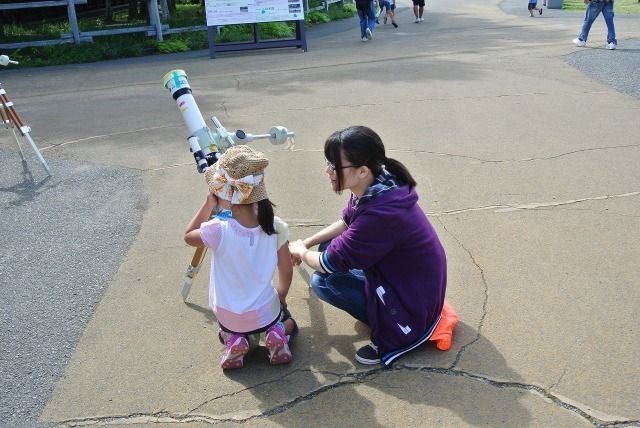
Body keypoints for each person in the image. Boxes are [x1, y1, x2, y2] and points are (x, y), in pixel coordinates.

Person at [289, 126, 449, 366]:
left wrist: (301, 251)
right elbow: (346, 221)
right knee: (328, 246)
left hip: (413, 303)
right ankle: (379, 310)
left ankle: (393, 332)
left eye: (335, 166)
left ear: (362, 170)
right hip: (413, 283)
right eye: (328, 163)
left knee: (324, 281)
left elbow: (327, 264)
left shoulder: (380, 214)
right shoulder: (379, 185)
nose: (328, 171)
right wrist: (309, 242)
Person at [184, 145, 297, 369]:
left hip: (229, 314)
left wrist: (208, 205)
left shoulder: (217, 229)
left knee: (228, 329)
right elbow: (286, 269)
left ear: (222, 191)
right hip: (265, 311)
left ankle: (235, 340)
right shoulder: (274, 226)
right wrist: (281, 296)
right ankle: (277, 333)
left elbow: (188, 236)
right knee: (289, 321)